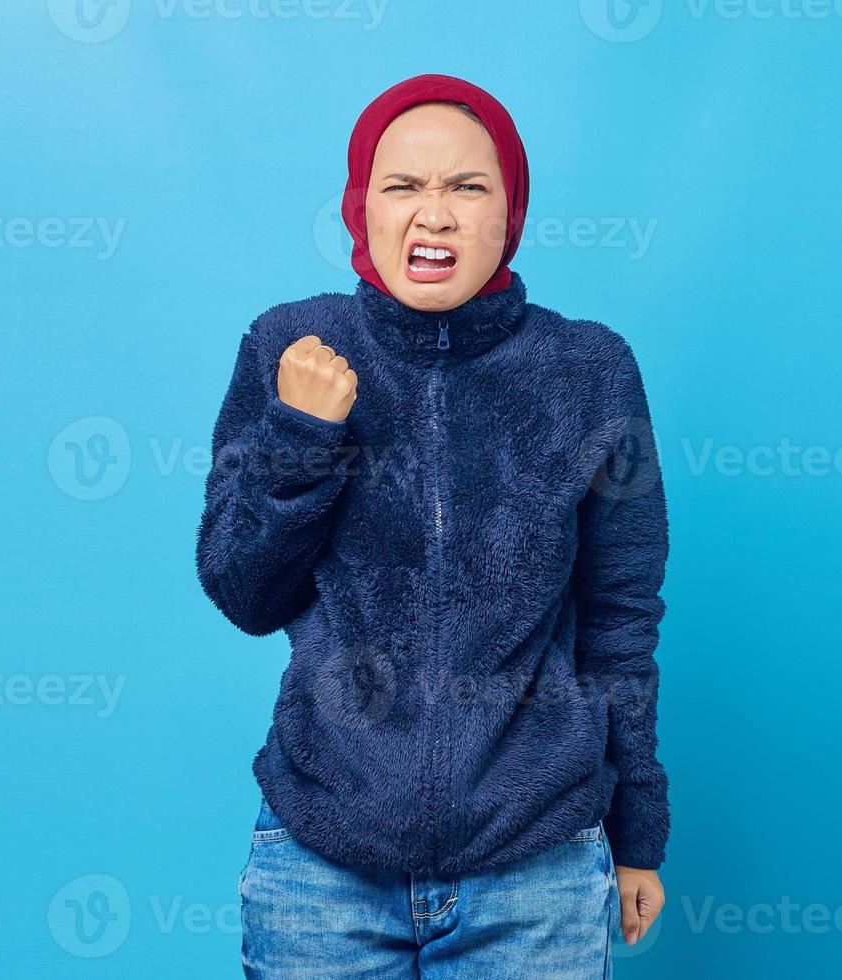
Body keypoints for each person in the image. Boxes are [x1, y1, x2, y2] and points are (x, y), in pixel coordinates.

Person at [196, 72, 669, 978]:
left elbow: (621, 616)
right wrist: (300, 438)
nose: (434, 214)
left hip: (537, 868)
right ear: (361, 208)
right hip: (320, 866)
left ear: (510, 212)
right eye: (403, 186)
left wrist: (637, 824)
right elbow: (243, 591)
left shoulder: (590, 368)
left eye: (468, 187)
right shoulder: (290, 348)